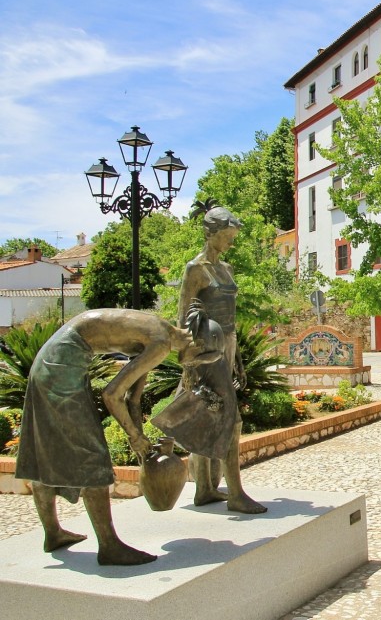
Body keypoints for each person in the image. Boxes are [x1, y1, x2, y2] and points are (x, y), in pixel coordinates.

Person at [15, 307, 217, 565]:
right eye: (197, 360)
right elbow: (111, 394)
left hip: (51, 362)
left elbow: (133, 398)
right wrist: (133, 436)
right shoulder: (161, 344)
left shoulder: (160, 331)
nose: (191, 366)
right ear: (195, 345)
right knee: (93, 457)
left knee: (46, 450)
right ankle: (109, 546)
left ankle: (53, 533)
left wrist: (139, 435)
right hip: (60, 370)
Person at [174, 200, 266, 514]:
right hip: (206, 352)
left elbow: (231, 320)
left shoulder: (226, 269)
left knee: (209, 417)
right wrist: (188, 361)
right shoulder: (195, 270)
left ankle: (204, 490)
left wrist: (237, 355)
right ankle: (236, 493)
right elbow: (181, 316)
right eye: (227, 236)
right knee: (229, 418)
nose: (230, 242)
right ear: (210, 232)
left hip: (227, 345)